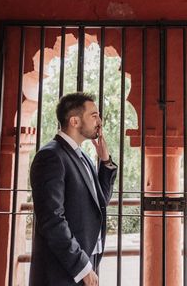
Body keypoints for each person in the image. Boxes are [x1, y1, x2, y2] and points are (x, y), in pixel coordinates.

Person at [29, 92, 117, 286]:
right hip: (63, 269)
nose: (99, 121)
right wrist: (81, 265)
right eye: (93, 116)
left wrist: (105, 162)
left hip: (87, 259)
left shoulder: (83, 156)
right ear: (75, 121)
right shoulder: (50, 157)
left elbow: (99, 203)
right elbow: (52, 219)